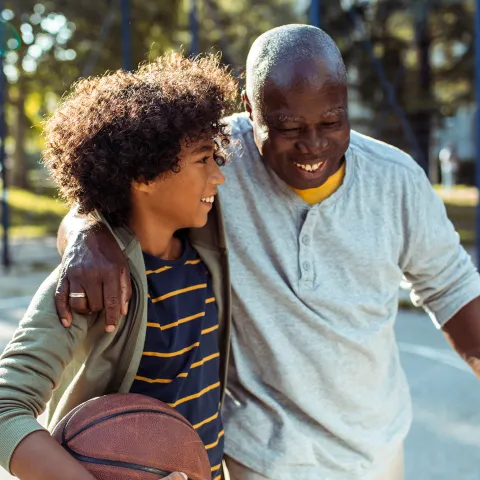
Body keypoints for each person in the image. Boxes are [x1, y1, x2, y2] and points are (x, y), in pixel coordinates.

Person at [55, 25, 480, 480]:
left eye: (332, 122)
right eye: (288, 127)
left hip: (375, 454)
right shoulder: (216, 161)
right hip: (258, 458)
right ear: (250, 110)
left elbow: (452, 286)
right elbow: (111, 192)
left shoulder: (396, 179)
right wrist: (88, 232)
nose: (313, 145)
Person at [0, 52, 237, 480]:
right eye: (203, 160)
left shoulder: (206, 252)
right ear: (144, 176)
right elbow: (5, 407)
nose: (218, 176)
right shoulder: (91, 283)